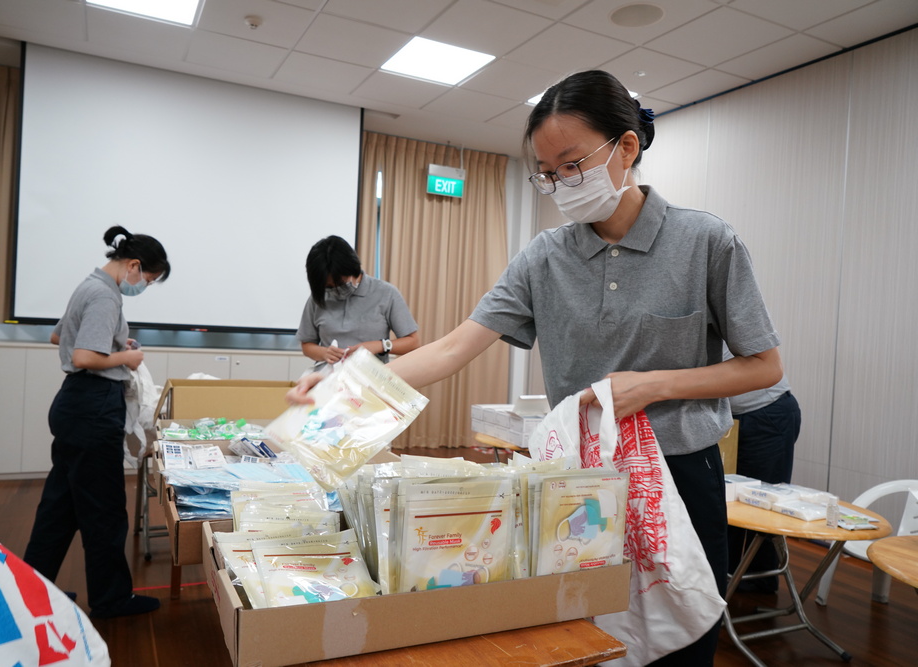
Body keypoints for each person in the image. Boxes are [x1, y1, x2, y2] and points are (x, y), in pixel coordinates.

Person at [289, 70, 783, 664]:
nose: (561, 183)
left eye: (572, 164)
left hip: (678, 474)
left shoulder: (705, 241)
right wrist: (343, 383)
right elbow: (450, 349)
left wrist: (654, 385)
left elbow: (762, 366)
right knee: (582, 634)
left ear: (626, 146)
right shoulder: (544, 257)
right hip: (577, 480)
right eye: (548, 173)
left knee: (681, 641)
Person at [24, 226, 171, 619]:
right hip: (92, 407)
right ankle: (111, 599)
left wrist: (114, 344)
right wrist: (127, 358)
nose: (143, 286)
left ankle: (30, 594)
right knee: (104, 510)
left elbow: (60, 338)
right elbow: (85, 357)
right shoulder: (105, 295)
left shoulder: (87, 286)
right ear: (134, 265)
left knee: (60, 509)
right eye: (148, 280)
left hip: (73, 405)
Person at [726, 361, 802, 593]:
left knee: (763, 505)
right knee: (728, 500)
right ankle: (728, 575)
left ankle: (760, 580)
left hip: (765, 413)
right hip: (729, 417)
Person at [296, 235, 419, 371]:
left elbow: (413, 342)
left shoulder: (386, 293)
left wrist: (379, 346)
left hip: (370, 380)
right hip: (328, 379)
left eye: (341, 284)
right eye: (329, 287)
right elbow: (307, 345)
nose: (336, 290)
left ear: (353, 268)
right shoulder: (317, 297)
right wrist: (324, 353)